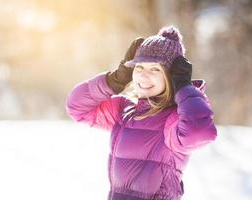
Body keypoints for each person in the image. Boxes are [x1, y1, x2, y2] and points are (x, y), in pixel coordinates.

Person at [65, 25, 217, 200]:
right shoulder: (125, 111)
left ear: (172, 76)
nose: (144, 76)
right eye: (139, 68)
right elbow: (77, 107)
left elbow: (200, 132)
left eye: (155, 69)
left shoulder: (173, 119)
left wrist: (183, 88)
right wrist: (114, 80)